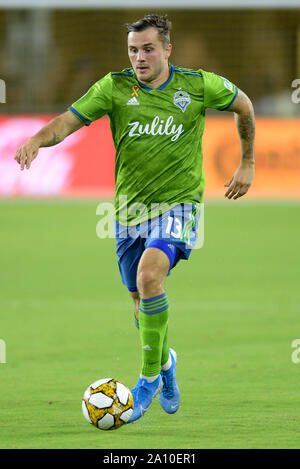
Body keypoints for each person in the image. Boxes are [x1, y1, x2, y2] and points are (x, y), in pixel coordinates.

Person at [14, 14, 255, 423]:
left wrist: (247, 161)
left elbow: (244, 105)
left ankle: (146, 380)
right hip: (130, 214)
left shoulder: (196, 85)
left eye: (147, 49)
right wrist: (37, 138)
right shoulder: (114, 87)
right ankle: (166, 365)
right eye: (133, 50)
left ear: (167, 49)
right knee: (140, 302)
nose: (139, 57)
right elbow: (69, 121)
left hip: (180, 205)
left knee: (149, 277)